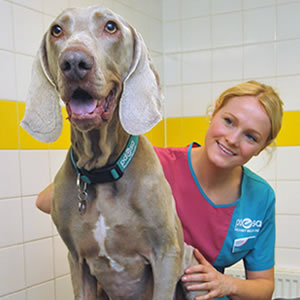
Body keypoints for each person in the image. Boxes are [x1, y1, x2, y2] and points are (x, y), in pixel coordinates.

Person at [36, 80, 284, 300]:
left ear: (262, 148)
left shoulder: (260, 197)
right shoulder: (148, 165)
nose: (232, 139)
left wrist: (226, 283)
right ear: (214, 112)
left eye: (251, 137)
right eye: (229, 121)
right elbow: (47, 201)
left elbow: (263, 287)